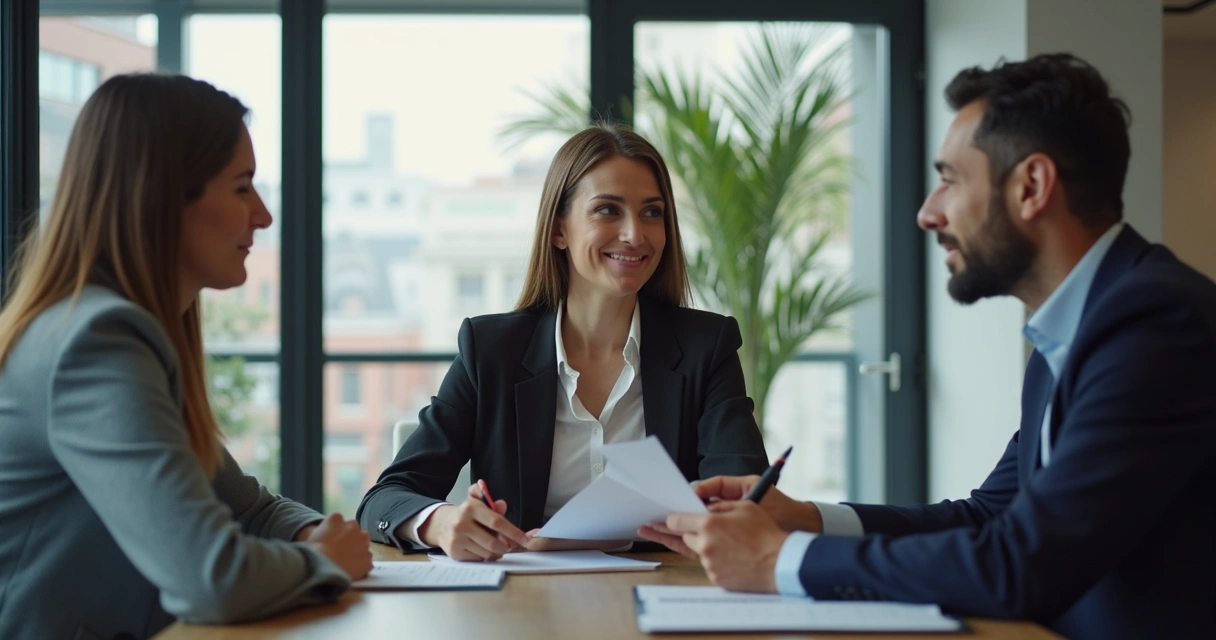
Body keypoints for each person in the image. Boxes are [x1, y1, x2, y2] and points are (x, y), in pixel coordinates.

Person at [640, 53, 1216, 640]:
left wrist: (778, 560)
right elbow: (988, 516)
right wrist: (805, 520)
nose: (927, 213)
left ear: (1032, 187)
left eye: (950, 180)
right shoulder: (1073, 332)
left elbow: (1022, 563)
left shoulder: (1156, 325)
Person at [0, 74, 372, 640]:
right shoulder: (95, 344)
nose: (264, 215)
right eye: (242, 188)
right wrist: (323, 561)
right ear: (163, 196)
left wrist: (318, 536)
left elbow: (249, 510)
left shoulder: (122, 332)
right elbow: (210, 578)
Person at [358, 123, 769, 561]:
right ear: (559, 230)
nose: (635, 234)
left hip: (663, 587)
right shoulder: (492, 351)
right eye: (608, 210)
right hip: (524, 595)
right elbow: (385, 499)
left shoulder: (706, 347)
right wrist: (440, 522)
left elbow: (746, 499)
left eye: (652, 212)